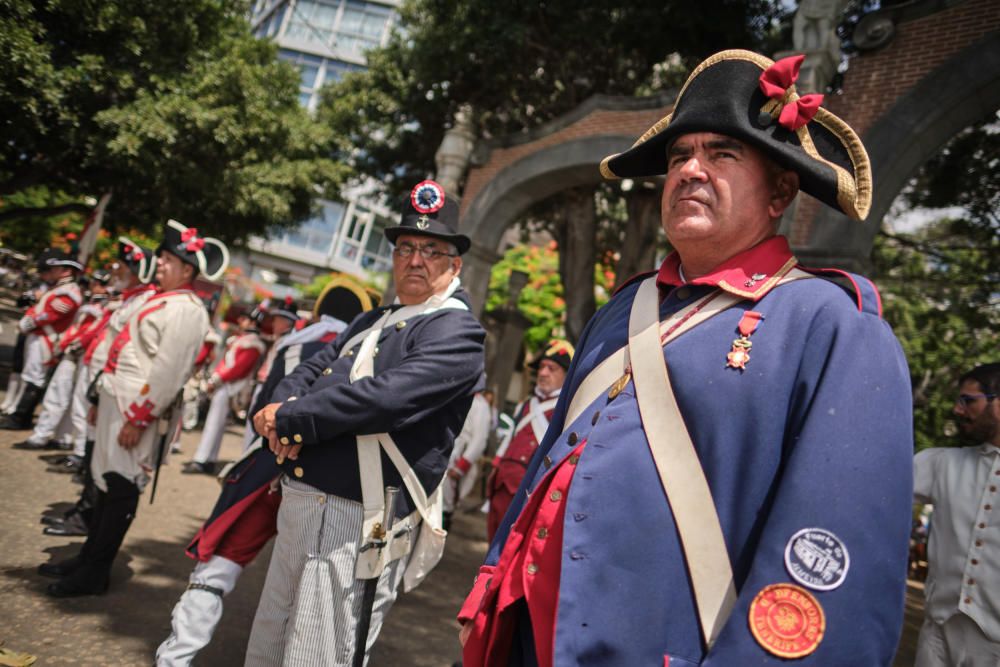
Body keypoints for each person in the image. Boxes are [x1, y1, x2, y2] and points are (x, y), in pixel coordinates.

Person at [458, 50, 914, 666]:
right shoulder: (622, 309)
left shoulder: (833, 329)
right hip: (526, 636)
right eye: (679, 155)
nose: (691, 170)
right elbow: (549, 461)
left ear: (781, 189)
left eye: (722, 154)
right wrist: (491, 589)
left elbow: (829, 576)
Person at [246, 180, 486, 666]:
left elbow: (383, 399)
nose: (415, 260)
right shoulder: (369, 321)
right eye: (405, 248)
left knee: (318, 653)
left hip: (358, 515)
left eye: (431, 250)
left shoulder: (457, 331)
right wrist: (277, 413)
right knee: (269, 642)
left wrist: (292, 419)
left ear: (454, 265)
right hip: (303, 502)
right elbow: (309, 370)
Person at [156, 282, 369, 667]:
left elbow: (262, 407)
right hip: (330, 481)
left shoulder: (294, 343)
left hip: (271, 464)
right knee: (311, 594)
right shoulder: (369, 348)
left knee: (218, 567)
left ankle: (175, 657)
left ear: (320, 310)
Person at [39, 220, 228, 596]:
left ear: (187, 269)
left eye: (168, 259)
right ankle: (88, 556)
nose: (159, 263)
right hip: (115, 401)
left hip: (136, 410)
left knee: (121, 486)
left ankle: (96, 571)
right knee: (104, 481)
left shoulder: (188, 310)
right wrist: (99, 399)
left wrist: (140, 418)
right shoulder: (160, 299)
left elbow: (168, 372)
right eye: (161, 257)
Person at [40, 238, 158, 536]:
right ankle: (85, 510)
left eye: (122, 266)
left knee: (104, 459)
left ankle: (87, 516)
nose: (115, 271)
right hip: (102, 379)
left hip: (119, 389)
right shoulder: (130, 298)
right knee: (94, 451)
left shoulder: (146, 301)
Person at [913, 363, 1000, 666]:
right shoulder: (941, 463)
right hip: (937, 636)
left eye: (968, 400)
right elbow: (873, 486)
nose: (958, 409)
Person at [485, 340, 572, 541]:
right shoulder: (526, 404)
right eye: (542, 367)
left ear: (566, 375)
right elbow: (509, 439)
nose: (543, 373)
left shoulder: (564, 411)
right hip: (501, 484)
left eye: (552, 368)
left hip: (527, 490)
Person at [14, 270, 110, 452]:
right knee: (59, 395)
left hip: (83, 354)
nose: (97, 286)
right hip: (74, 351)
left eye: (102, 284)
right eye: (96, 282)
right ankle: (54, 436)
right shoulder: (93, 301)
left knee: (73, 400)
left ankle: (60, 440)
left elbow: (91, 330)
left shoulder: (105, 305)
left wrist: (74, 344)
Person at [1, 249, 83, 430]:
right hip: (38, 337)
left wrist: (26, 323)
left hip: (46, 340)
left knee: (35, 378)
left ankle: (20, 418)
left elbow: (49, 315)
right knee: (29, 375)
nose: (48, 273)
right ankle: (18, 414)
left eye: (53, 269)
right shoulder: (59, 289)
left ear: (66, 271)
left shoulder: (69, 292)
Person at [182, 306, 267, 474]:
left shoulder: (253, 343)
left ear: (253, 322)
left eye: (244, 319)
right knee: (214, 423)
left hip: (232, 387)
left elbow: (238, 369)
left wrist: (217, 379)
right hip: (225, 385)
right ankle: (208, 458)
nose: (240, 321)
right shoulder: (242, 340)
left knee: (214, 423)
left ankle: (202, 459)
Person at [444, 390, 493, 531]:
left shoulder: (480, 404)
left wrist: (460, 467)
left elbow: (479, 440)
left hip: (453, 461)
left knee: (445, 505)